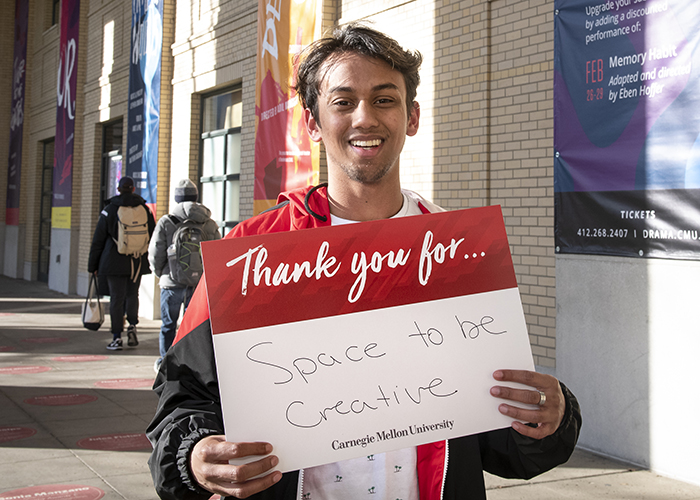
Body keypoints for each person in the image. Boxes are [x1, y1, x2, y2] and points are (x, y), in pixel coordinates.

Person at [147, 24, 581, 499]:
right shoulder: (254, 254)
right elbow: (183, 395)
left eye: (384, 99)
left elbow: (501, 440)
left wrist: (550, 417)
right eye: (343, 101)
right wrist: (193, 455)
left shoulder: (458, 253)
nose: (364, 118)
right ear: (313, 123)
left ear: (411, 117)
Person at [148, 178, 221, 372]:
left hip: (171, 283)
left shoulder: (167, 221)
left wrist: (162, 274)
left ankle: (166, 363)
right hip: (197, 285)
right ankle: (191, 363)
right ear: (195, 197)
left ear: (176, 198)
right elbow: (216, 253)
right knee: (193, 327)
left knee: (168, 325)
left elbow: (156, 252)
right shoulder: (208, 222)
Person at [88, 176, 156, 350]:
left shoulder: (109, 209)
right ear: (133, 189)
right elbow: (152, 235)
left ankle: (117, 337)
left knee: (116, 299)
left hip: (113, 261)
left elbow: (98, 240)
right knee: (133, 295)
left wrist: (93, 265)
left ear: (118, 189)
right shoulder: (145, 209)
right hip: (136, 261)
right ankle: (132, 326)